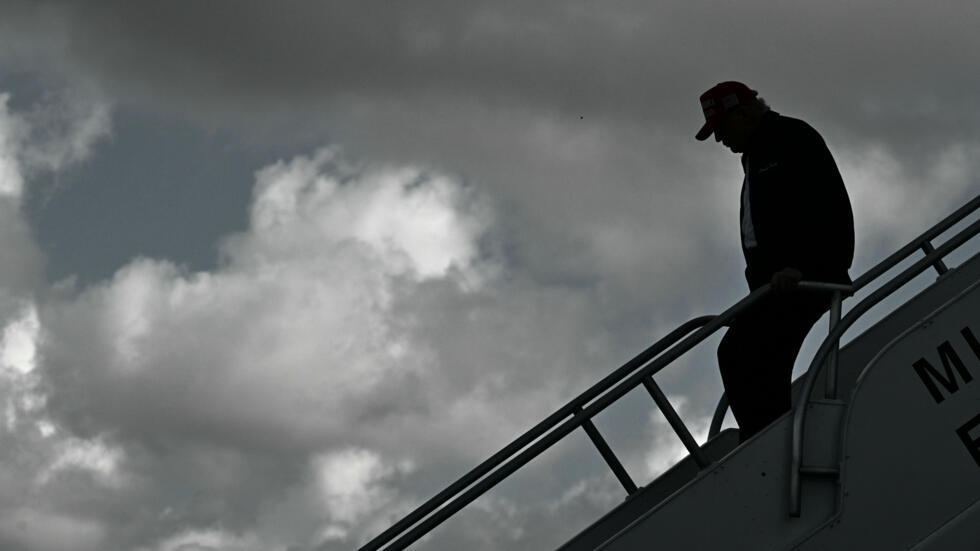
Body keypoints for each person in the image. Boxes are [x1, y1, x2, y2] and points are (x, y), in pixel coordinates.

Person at [695, 81, 854, 442]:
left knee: (741, 353)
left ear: (745, 113)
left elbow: (826, 208)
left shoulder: (790, 138)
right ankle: (768, 437)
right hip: (780, 286)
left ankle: (766, 442)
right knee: (744, 354)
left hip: (808, 279)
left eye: (722, 128)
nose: (720, 139)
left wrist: (805, 266)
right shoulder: (757, 154)